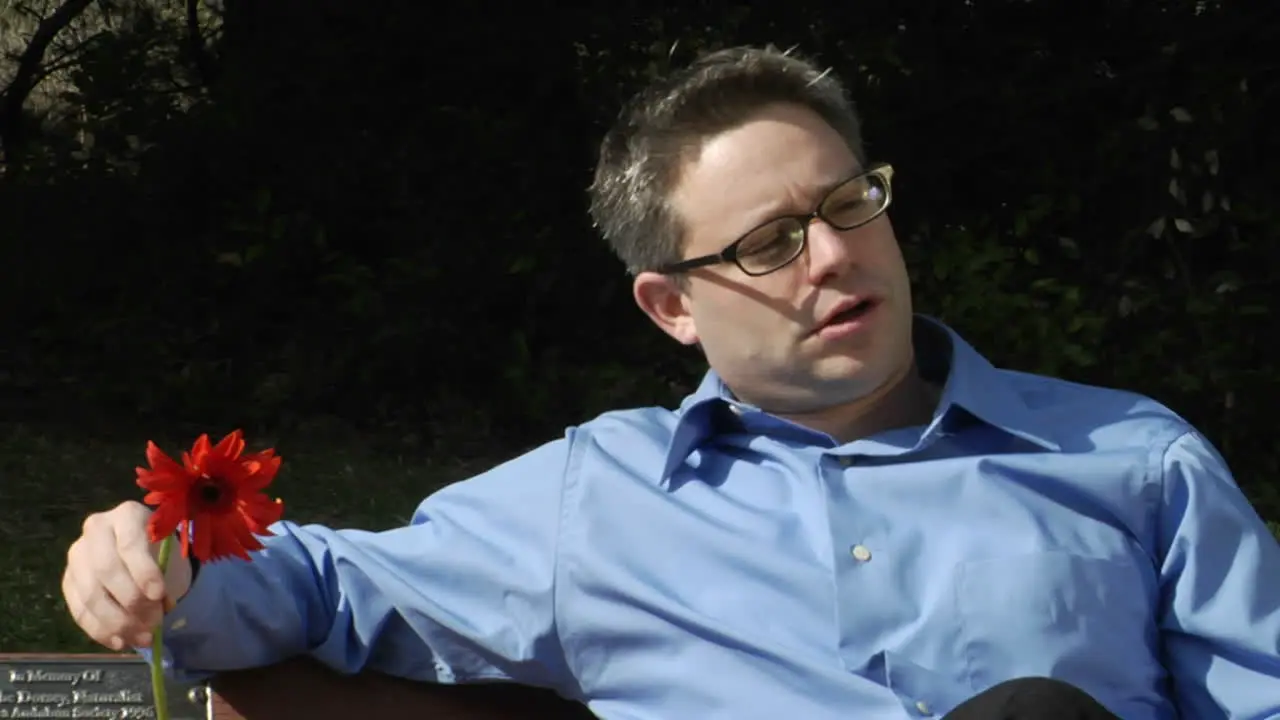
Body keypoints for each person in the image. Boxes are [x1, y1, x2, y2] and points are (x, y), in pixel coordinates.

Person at [62, 45, 1280, 720]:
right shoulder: (598, 496)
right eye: (766, 243)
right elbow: (324, 586)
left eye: (850, 204)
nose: (834, 254)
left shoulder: (1130, 460)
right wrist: (157, 562)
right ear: (673, 307)